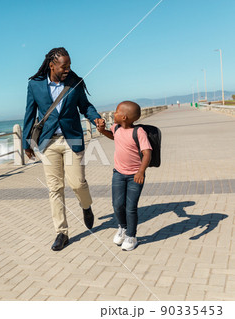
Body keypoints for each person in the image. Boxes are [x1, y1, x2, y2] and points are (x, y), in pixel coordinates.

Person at [22, 47, 101, 251]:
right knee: (54, 188)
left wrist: (96, 118)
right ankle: (61, 232)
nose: (67, 69)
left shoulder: (75, 83)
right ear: (52, 65)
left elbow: (85, 106)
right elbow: (29, 115)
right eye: (64, 66)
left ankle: (86, 206)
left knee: (77, 183)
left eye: (69, 66)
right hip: (48, 142)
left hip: (71, 139)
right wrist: (26, 143)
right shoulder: (35, 85)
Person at [95, 101, 152, 251]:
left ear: (124, 117)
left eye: (116, 112)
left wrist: (141, 171)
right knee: (117, 205)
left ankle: (132, 236)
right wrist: (102, 130)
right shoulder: (116, 127)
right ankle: (123, 228)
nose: (114, 113)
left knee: (131, 207)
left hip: (135, 176)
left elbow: (147, 153)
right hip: (118, 174)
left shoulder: (139, 132)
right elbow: (113, 136)